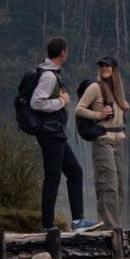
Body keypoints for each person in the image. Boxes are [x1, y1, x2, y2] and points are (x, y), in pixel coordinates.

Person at [32, 37, 101, 232]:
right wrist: (61, 101)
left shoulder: (50, 73)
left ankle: (78, 221)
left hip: (57, 133)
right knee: (53, 177)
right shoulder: (48, 76)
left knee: (75, 172)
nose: (66, 54)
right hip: (49, 134)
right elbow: (36, 103)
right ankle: (47, 224)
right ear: (63, 52)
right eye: (66, 51)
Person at [75, 56, 129, 230]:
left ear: (114, 69)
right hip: (103, 140)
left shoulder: (118, 89)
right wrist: (99, 115)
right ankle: (110, 230)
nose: (105, 69)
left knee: (119, 187)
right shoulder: (94, 87)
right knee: (108, 186)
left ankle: (115, 226)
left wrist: (123, 107)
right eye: (102, 66)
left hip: (119, 140)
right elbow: (79, 109)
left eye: (108, 66)